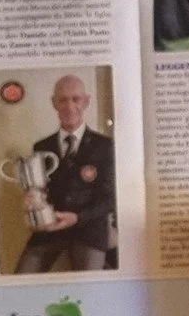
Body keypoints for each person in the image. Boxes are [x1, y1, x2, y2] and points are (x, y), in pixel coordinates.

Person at [14, 74, 115, 273]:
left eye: (76, 99)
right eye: (63, 99)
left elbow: (111, 198)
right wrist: (33, 202)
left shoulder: (105, 146)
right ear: (54, 103)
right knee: (22, 277)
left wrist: (77, 217)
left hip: (89, 229)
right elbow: (40, 190)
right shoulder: (41, 146)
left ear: (86, 102)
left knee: (88, 287)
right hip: (51, 228)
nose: (69, 106)